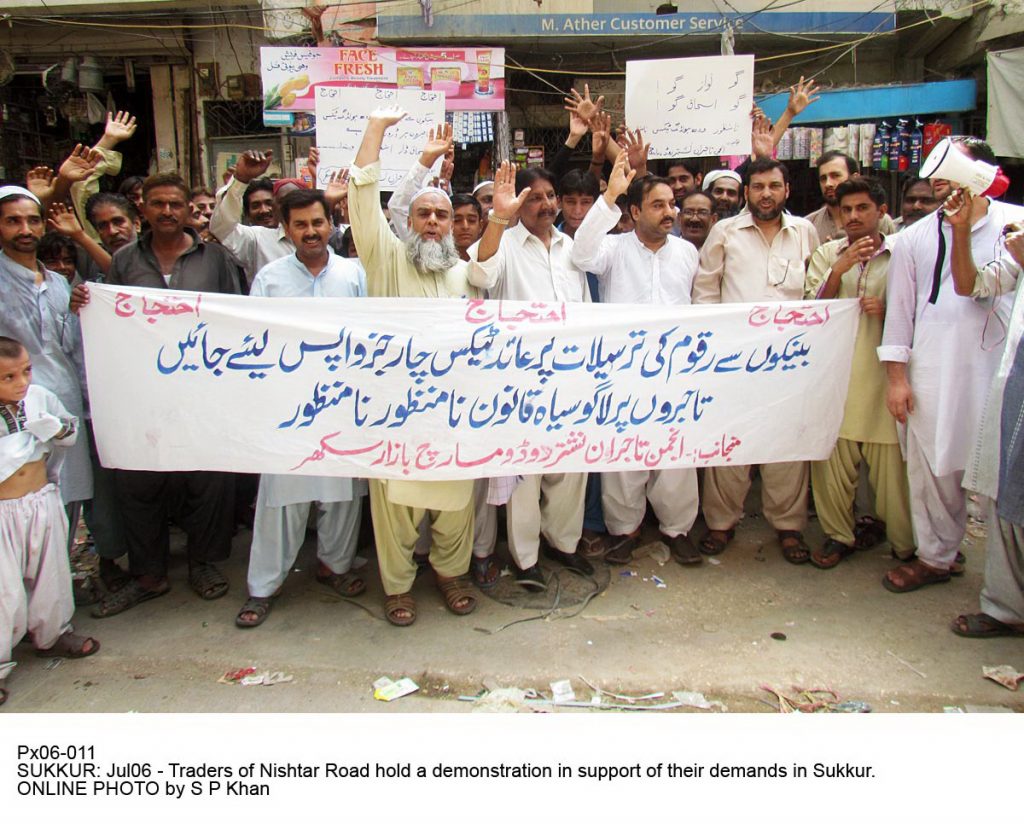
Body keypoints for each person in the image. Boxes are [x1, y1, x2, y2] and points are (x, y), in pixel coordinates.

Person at [76, 172, 243, 618]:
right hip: (142, 394)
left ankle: (202, 563)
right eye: (158, 204)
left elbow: (242, 317)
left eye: (175, 204)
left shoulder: (217, 259)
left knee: (205, 480)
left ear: (189, 209)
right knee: (140, 482)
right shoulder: (124, 262)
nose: (167, 212)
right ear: (142, 210)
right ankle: (148, 574)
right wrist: (85, 303)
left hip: (204, 391)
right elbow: (109, 316)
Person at [349, 105, 479, 627]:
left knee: (454, 502)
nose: (431, 222)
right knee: (394, 507)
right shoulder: (386, 259)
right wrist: (375, 129)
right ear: (407, 222)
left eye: (441, 215)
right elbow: (362, 198)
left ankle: (451, 574)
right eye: (423, 214)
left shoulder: (467, 272)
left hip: (451, 410)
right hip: (394, 410)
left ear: (452, 225)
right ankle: (398, 586)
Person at [878, 137, 1024, 593]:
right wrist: (897, 379)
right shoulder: (913, 239)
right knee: (935, 470)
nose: (939, 178)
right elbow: (899, 314)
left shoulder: (1015, 224)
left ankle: (1007, 589)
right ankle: (937, 557)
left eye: (952, 169)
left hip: (1003, 370)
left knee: (1006, 474)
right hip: (936, 370)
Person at [236, 189, 367, 628]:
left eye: (317, 223)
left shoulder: (354, 275)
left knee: (342, 495)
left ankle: (335, 567)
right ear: (286, 229)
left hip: (342, 403)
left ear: (330, 223)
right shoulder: (270, 279)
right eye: (300, 225)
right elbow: (253, 340)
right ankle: (263, 588)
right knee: (281, 500)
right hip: (288, 404)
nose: (311, 232)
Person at [571, 154, 702, 567]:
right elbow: (580, 254)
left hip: (675, 368)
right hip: (624, 369)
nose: (669, 212)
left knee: (675, 453)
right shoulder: (613, 248)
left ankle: (676, 529)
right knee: (624, 454)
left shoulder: (686, 253)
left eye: (671, 205)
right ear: (634, 211)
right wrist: (608, 196)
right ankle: (624, 531)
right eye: (658, 205)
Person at [468, 162, 591, 589]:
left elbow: (587, 310)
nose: (546, 204)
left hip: (571, 376)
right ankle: (525, 560)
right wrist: (498, 220)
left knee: (570, 470)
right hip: (520, 383)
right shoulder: (503, 244)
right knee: (526, 476)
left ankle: (564, 545)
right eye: (534, 197)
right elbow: (478, 274)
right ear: (518, 201)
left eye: (550, 196)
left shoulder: (570, 248)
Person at [692, 158, 820, 563]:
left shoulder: (804, 232)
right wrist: (714, 349)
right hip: (734, 359)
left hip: (790, 359)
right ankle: (720, 522)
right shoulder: (725, 232)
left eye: (774, 186)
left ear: (787, 191)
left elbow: (816, 290)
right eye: (759, 186)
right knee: (730, 443)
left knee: (786, 443)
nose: (767, 193)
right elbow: (706, 291)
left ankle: (788, 526)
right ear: (747, 192)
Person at [803, 179, 914, 568]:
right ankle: (838, 536)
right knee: (830, 468)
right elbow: (808, 313)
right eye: (846, 210)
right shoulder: (827, 254)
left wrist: (888, 311)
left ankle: (907, 547)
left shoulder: (903, 255)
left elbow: (922, 316)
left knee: (893, 481)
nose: (853, 216)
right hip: (837, 383)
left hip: (883, 384)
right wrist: (839, 270)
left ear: (881, 211)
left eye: (862, 208)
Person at [0, 336, 99, 708]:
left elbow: (68, 432)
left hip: (40, 500)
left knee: (51, 574)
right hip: (3, 512)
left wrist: (55, 429)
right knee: (4, 590)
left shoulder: (39, 397)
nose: (21, 382)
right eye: (8, 377)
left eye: (25, 371)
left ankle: (52, 634)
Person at [947, 197, 1024, 637]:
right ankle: (1005, 606)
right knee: (1006, 491)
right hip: (1016, 374)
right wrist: (960, 231)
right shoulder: (1016, 233)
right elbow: (971, 285)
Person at [209, 152, 291, 283]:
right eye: (256, 205)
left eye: (269, 203)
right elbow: (221, 229)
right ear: (247, 213)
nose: (264, 210)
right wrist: (241, 180)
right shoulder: (254, 239)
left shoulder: (314, 236)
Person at [804, 152, 897, 242]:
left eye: (835, 176)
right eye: (823, 178)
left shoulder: (880, 219)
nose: (828, 184)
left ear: (854, 177)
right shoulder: (809, 224)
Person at [557, 169, 599, 239]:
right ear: (559, 202)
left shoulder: (606, 241)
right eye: (570, 202)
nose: (577, 211)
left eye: (585, 202)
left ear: (596, 205)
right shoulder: (547, 240)